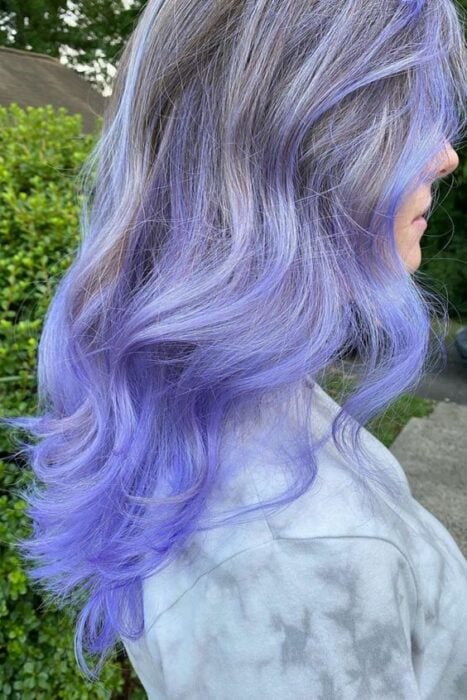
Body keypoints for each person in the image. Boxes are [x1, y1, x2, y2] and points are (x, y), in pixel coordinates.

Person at [2, 0, 467, 698]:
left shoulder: (227, 396)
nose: (444, 155)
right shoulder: (293, 568)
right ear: (286, 149)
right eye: (398, 114)